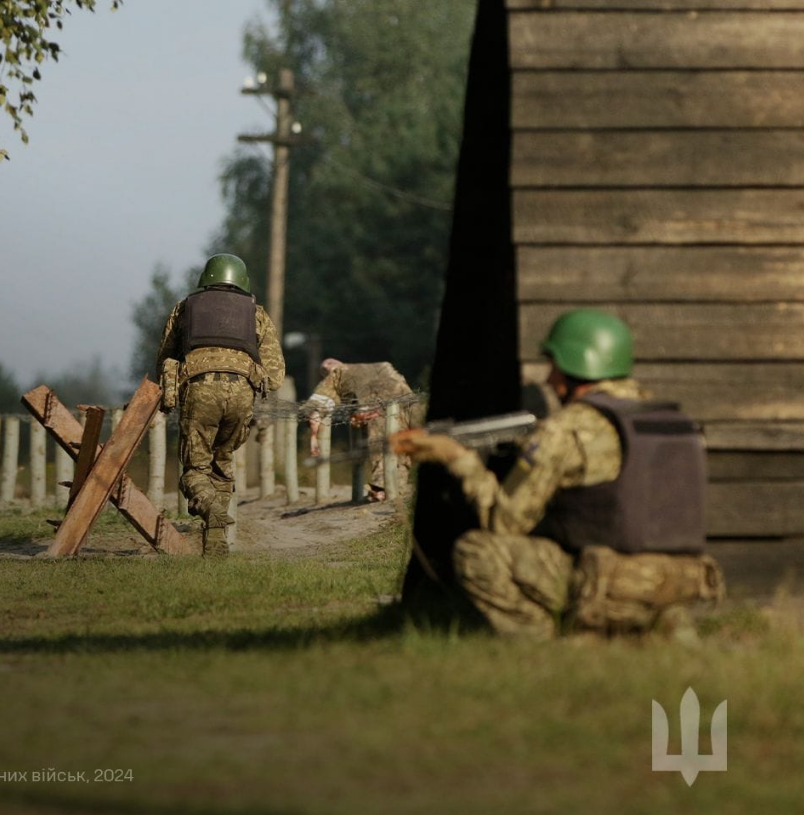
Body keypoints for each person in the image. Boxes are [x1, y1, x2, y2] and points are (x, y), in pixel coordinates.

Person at [390, 308, 724, 639]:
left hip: (612, 582)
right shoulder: (668, 421)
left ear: (573, 366)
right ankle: (645, 630)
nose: (549, 379)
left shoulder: (565, 430)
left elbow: (504, 521)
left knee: (477, 549)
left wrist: (459, 458)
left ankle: (545, 643)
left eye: (554, 366)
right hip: (684, 583)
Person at [156, 254, 285, 555]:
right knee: (222, 463)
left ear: (206, 277)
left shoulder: (185, 307)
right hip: (242, 394)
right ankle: (216, 542)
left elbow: (165, 355)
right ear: (241, 280)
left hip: (200, 392)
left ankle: (210, 507)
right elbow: (276, 375)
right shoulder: (257, 313)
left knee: (194, 469)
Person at [305, 359, 418, 501]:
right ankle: (390, 490)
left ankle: (384, 489)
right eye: (325, 366)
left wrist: (313, 432)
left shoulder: (340, 373)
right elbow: (321, 400)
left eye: (328, 363)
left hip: (378, 409)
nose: (328, 364)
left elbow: (319, 401)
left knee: (386, 448)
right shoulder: (381, 365)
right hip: (403, 404)